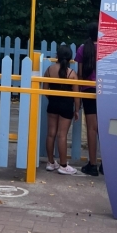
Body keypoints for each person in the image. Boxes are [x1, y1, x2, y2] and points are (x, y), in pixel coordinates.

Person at [43, 45, 79, 175]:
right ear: (70, 58)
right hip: (66, 105)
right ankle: (63, 165)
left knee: (51, 133)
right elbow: (76, 95)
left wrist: (52, 98)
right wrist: (76, 109)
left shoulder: (49, 70)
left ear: (56, 56)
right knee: (62, 135)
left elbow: (45, 90)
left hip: (53, 103)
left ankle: (51, 162)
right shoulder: (72, 74)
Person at [75, 35, 100, 176]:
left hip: (88, 88)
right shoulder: (106, 48)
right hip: (105, 89)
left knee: (91, 128)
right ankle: (106, 164)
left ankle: (92, 164)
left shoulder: (83, 49)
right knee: (104, 128)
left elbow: (80, 73)